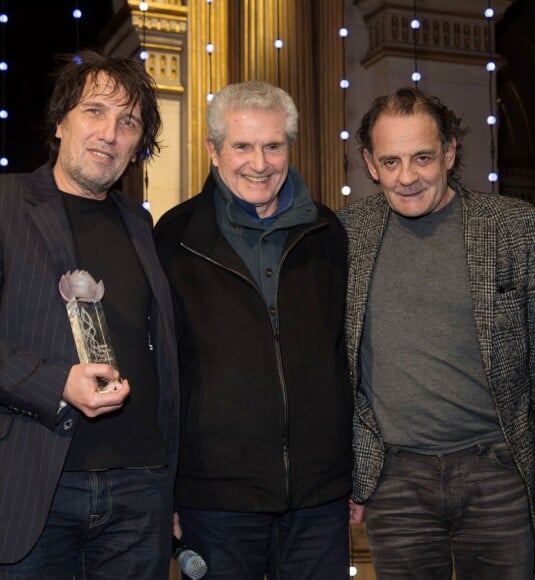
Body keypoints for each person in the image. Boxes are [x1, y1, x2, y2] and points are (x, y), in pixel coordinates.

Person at [339, 87, 535, 578]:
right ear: (369, 163)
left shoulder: (516, 229)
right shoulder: (344, 235)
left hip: (497, 473)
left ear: (449, 151)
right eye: (390, 161)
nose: (406, 177)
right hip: (395, 479)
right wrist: (349, 473)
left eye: (422, 157)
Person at [154, 80, 353, 579]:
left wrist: (349, 475)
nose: (259, 163)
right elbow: (164, 372)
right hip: (215, 499)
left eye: (273, 145)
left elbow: (344, 354)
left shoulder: (328, 234)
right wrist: (168, 488)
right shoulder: (173, 237)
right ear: (213, 151)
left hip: (318, 497)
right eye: (242, 146)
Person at [0, 51, 179, 579]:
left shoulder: (140, 222)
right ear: (60, 122)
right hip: (37, 487)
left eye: (128, 121)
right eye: (94, 111)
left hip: (140, 491)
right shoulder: (6, 202)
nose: (110, 132)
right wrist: (58, 384)